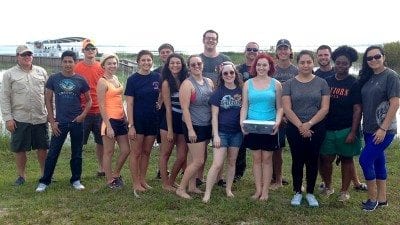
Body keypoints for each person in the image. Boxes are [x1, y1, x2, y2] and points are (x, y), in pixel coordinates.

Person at [36, 51, 92, 192]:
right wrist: (52, 121)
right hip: (59, 123)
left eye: (70, 61)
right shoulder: (53, 79)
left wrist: (83, 115)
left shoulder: (81, 80)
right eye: (65, 61)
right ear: (61, 62)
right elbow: (47, 100)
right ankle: (45, 181)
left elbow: (89, 100)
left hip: (77, 122)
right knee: (53, 152)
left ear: (75, 62)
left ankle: (76, 180)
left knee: (77, 152)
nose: (67, 64)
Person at [282, 50, 330, 207]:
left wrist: (309, 124)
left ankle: (310, 192)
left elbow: (324, 108)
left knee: (312, 160)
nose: (305, 65)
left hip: (316, 127)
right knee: (297, 160)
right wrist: (300, 126)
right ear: (297, 64)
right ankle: (297, 191)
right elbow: (287, 109)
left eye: (309, 62)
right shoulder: (289, 84)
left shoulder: (322, 83)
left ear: (313, 63)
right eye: (302, 62)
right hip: (294, 127)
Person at [358, 45, 400, 211]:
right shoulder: (368, 77)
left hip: (384, 130)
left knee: (365, 159)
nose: (373, 60)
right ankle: (382, 200)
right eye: (369, 58)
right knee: (378, 161)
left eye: (377, 56)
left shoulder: (391, 76)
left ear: (383, 57)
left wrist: (383, 128)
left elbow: (395, 103)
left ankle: (372, 198)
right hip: (368, 128)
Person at [319, 46, 362, 202]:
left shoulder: (354, 83)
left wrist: (353, 132)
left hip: (346, 128)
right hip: (328, 128)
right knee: (325, 158)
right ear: (334, 63)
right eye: (338, 63)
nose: (341, 66)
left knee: (347, 159)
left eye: (345, 63)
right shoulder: (326, 82)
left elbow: (357, 109)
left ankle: (344, 191)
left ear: (350, 65)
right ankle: (328, 186)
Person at [0, 45, 49, 186]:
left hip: (40, 117)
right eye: (23, 55)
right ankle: (21, 176)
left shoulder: (41, 71)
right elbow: (4, 98)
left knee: (42, 147)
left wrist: (52, 116)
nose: (27, 57)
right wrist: (8, 118)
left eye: (29, 54)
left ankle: (45, 174)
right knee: (20, 149)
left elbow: (48, 96)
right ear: (17, 56)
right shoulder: (9, 74)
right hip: (20, 118)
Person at [240, 53, 283, 201]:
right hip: (252, 126)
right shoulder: (247, 84)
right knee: (256, 159)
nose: (261, 67)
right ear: (255, 66)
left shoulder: (276, 84)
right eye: (258, 65)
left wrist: (278, 122)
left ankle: (265, 191)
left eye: (264, 65)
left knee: (267, 159)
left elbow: (280, 108)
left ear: (270, 67)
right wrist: (242, 122)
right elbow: (244, 106)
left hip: (270, 126)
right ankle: (258, 190)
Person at [202, 61, 243, 203]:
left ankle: (228, 189)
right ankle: (207, 192)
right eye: (225, 73)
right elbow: (214, 116)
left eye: (231, 72)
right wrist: (216, 135)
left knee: (232, 162)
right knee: (217, 163)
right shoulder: (218, 92)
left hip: (237, 133)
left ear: (235, 73)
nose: (229, 75)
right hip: (222, 133)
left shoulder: (241, 90)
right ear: (221, 75)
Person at [176, 55, 213, 199]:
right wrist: (190, 129)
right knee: (199, 161)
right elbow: (185, 109)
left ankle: (192, 186)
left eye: (199, 63)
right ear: (189, 67)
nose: (196, 66)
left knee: (194, 158)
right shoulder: (187, 84)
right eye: (193, 65)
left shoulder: (209, 82)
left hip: (206, 124)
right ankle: (181, 188)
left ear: (202, 65)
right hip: (194, 126)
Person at [125, 50, 160, 196]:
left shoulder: (157, 77)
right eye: (143, 60)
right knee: (136, 152)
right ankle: (135, 183)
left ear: (152, 61)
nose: (146, 63)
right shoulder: (133, 79)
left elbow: (163, 94)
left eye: (149, 60)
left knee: (147, 152)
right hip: (137, 121)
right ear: (138, 62)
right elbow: (130, 104)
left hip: (152, 120)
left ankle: (143, 180)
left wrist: (160, 103)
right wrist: (131, 125)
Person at [97, 54, 130, 189]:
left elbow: (118, 99)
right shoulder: (102, 81)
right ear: (103, 65)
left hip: (121, 118)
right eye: (109, 63)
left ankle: (116, 173)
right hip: (109, 120)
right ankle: (109, 179)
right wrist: (109, 126)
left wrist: (125, 116)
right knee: (108, 152)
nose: (112, 66)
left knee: (126, 150)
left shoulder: (116, 78)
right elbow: (101, 105)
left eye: (114, 63)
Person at [74, 38, 105, 177]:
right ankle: (77, 170)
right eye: (87, 49)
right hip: (83, 111)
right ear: (83, 51)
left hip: (99, 112)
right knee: (79, 143)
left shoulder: (101, 67)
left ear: (96, 51)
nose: (90, 51)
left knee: (101, 142)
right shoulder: (77, 67)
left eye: (93, 48)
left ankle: (102, 168)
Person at [158, 53, 189, 191]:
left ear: (182, 65)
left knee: (182, 155)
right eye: (172, 63)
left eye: (178, 63)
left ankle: (172, 181)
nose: (175, 65)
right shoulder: (165, 82)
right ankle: (165, 183)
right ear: (168, 65)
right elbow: (168, 108)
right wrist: (170, 130)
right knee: (166, 153)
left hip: (183, 121)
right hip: (169, 121)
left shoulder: (186, 80)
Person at [271, 39, 298, 189]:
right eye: (280, 49)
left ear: (290, 51)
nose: (283, 51)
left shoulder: (297, 70)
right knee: (277, 150)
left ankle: (298, 182)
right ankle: (278, 180)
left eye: (285, 48)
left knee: (297, 151)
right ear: (276, 52)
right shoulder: (271, 69)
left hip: (295, 116)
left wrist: (290, 114)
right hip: (276, 116)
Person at [234, 41, 260, 182]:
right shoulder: (238, 69)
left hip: (260, 110)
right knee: (240, 142)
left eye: (255, 49)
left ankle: (273, 174)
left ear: (258, 51)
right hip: (241, 108)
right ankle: (238, 172)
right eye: (249, 49)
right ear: (245, 51)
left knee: (265, 142)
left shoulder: (262, 67)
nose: (252, 51)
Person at [153, 43, 174, 179]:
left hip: (177, 109)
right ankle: (163, 170)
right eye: (163, 52)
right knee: (163, 142)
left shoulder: (180, 70)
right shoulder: (156, 72)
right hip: (161, 111)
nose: (165, 54)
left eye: (168, 52)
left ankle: (185, 168)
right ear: (159, 55)